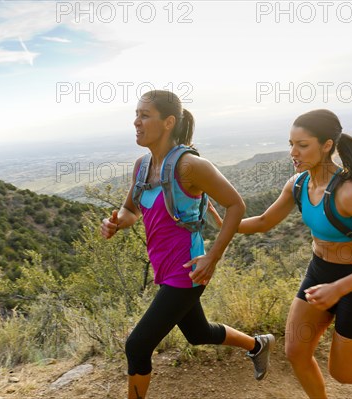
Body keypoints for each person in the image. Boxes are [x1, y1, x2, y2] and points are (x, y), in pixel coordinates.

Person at [210, 109, 352, 398]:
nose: (293, 152)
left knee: (345, 374)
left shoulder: (349, 193)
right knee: (296, 352)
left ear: (327, 146)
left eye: (302, 145)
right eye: (291, 144)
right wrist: (219, 220)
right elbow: (264, 222)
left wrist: (338, 289)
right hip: (319, 273)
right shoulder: (298, 184)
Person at [100, 90, 275, 399]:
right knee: (198, 333)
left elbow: (236, 206)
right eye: (136, 114)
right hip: (164, 268)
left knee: (137, 345)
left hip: (188, 269)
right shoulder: (142, 165)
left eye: (144, 115)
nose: (136, 122)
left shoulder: (190, 166)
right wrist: (116, 222)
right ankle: (258, 344)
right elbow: (132, 210)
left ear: (168, 122)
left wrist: (213, 257)